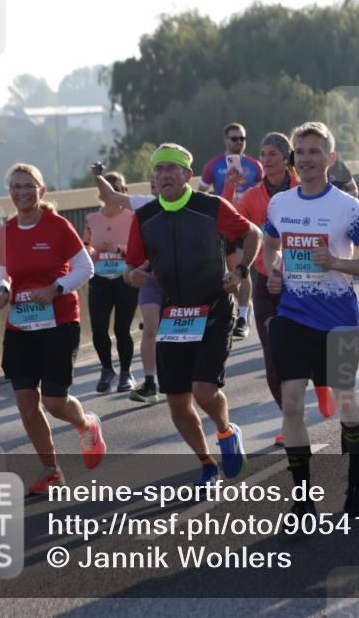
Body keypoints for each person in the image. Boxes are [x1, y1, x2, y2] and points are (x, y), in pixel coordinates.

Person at [263, 122, 359, 517]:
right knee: (291, 403)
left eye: (315, 152)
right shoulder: (280, 204)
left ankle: (356, 471)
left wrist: (336, 262)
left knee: (345, 398)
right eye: (300, 152)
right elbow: (269, 246)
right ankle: (302, 500)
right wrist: (274, 270)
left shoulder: (347, 207)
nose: (307, 159)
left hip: (338, 319)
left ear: (330, 158)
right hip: (293, 317)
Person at [125, 143, 258, 484]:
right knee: (177, 400)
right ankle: (207, 463)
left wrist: (240, 271)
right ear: (153, 178)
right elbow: (131, 266)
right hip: (174, 314)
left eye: (172, 169)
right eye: (159, 169)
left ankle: (226, 432)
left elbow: (251, 234)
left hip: (213, 308)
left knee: (203, 391)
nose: (165, 175)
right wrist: (133, 275)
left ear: (187, 175)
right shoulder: (145, 217)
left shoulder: (210, 206)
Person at [0, 164, 104, 494]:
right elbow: (1, 271)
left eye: (29, 186)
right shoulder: (5, 231)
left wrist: (56, 288)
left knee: (54, 402)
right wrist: (1, 289)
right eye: (16, 186)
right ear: (10, 192)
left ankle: (86, 424)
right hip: (21, 324)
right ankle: (51, 469)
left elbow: (86, 267)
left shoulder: (58, 226)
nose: (22, 192)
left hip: (59, 321)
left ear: (41, 191)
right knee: (26, 402)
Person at [234, 133, 300, 446]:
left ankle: (322, 387)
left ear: (286, 157)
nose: (266, 159)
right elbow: (231, 222)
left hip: (303, 283)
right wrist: (230, 187)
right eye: (263, 153)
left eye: (273, 153)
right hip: (266, 283)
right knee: (273, 357)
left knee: (306, 351)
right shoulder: (251, 196)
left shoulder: (303, 188)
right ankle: (291, 421)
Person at [96, 171, 162, 404]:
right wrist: (98, 176)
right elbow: (111, 196)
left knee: (174, 331)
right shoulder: (145, 203)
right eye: (153, 175)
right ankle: (150, 383)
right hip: (149, 277)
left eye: (162, 172)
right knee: (150, 329)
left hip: (178, 278)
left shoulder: (192, 203)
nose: (155, 179)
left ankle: (187, 376)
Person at [201, 122, 265, 340]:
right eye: (234, 138)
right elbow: (201, 193)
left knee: (241, 267)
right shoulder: (213, 166)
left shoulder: (255, 165)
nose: (239, 142)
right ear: (225, 140)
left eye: (242, 138)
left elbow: (263, 191)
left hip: (247, 225)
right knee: (231, 271)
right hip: (225, 224)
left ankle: (243, 316)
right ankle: (246, 304)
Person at [84, 172, 138, 394]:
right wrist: (91, 251)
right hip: (100, 279)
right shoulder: (92, 218)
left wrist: (118, 249)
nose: (116, 193)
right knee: (98, 329)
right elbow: (85, 244)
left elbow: (140, 248)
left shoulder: (133, 217)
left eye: (120, 189)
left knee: (122, 329)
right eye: (111, 188)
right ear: (102, 193)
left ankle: (126, 373)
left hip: (124, 278)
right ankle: (107, 369)